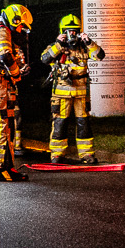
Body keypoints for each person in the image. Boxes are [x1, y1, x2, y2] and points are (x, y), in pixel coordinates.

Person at [40, 14, 106, 163]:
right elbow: (45, 59)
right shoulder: (56, 47)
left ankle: (87, 154)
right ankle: (57, 154)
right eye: (69, 31)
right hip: (61, 95)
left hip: (81, 94)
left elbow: (100, 55)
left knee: (84, 124)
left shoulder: (84, 47)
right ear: (62, 31)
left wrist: (89, 42)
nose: (72, 34)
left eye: (75, 31)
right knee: (60, 123)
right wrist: (58, 44)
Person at [0, 4, 33, 180]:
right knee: (4, 124)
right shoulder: (2, 30)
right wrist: (16, 73)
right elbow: (5, 55)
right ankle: (5, 169)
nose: (20, 29)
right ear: (15, 20)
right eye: (20, 25)